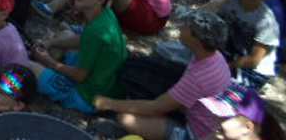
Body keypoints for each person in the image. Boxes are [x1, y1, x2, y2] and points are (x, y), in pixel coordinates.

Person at [94, 10, 234, 140]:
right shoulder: (215, 56)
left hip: (197, 132)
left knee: (125, 118)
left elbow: (155, 107)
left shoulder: (199, 77)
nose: (180, 27)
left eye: (186, 27)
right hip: (196, 111)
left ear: (196, 39)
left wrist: (108, 103)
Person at [27, 0, 127, 114]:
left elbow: (80, 76)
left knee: (29, 66)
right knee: (65, 36)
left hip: (87, 97)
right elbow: (83, 40)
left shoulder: (96, 31)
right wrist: (51, 43)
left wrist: (47, 60)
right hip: (105, 84)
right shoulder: (105, 15)